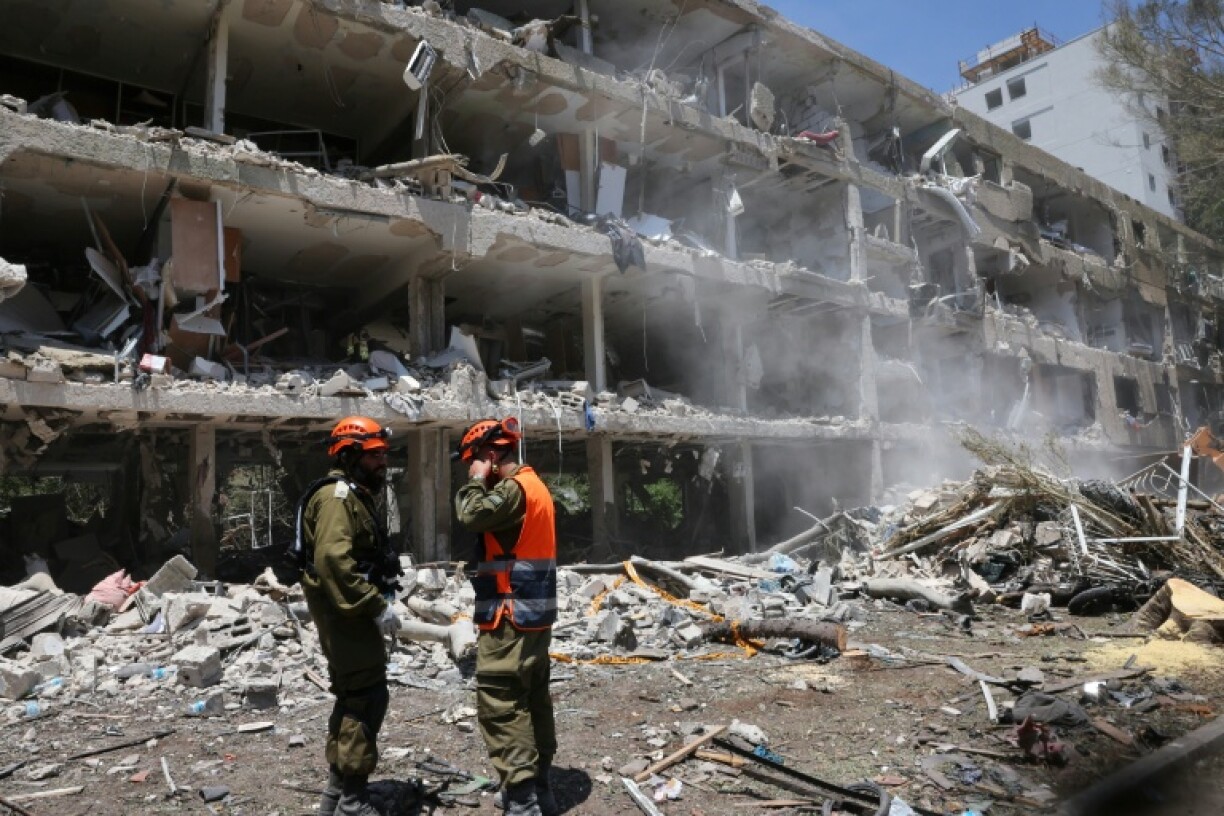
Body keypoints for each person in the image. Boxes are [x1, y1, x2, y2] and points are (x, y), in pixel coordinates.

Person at [299, 416, 404, 816]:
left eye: (384, 455)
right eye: (374, 455)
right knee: (365, 697)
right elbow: (332, 559)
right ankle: (354, 802)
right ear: (350, 455)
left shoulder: (352, 494)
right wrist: (375, 606)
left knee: (353, 697)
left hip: (349, 611)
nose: (383, 463)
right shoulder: (337, 498)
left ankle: (335, 794)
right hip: (347, 613)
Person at [454, 418, 558, 816]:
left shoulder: (514, 490)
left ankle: (522, 799)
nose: (472, 468)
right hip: (535, 613)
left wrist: (475, 482)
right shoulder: (537, 487)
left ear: (492, 454)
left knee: (501, 701)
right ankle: (541, 788)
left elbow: (470, 514)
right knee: (533, 697)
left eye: (475, 460)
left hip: (509, 614)